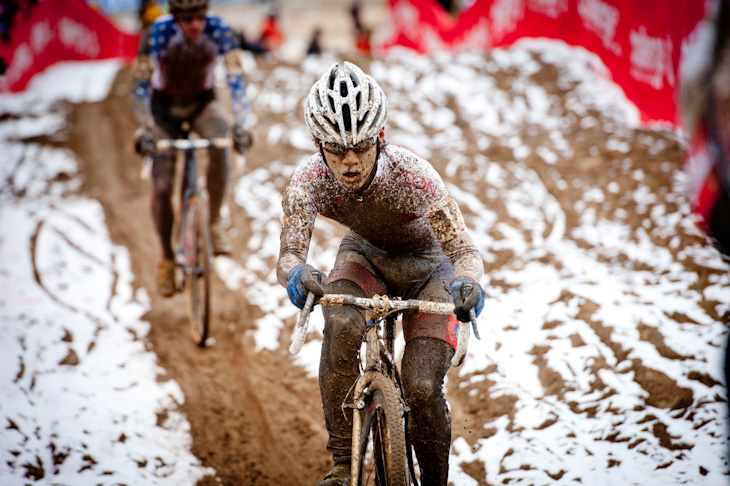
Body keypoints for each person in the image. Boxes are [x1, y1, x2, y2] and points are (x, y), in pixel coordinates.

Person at [277, 62, 485, 486]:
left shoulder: (414, 176)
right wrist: (297, 274)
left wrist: (469, 284)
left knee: (422, 386)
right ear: (318, 144)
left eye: (362, 147)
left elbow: (463, 250)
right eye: (336, 149)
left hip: (431, 267)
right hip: (365, 257)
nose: (350, 161)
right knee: (339, 322)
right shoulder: (307, 180)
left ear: (381, 137)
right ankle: (341, 463)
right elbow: (288, 254)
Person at [130, 0, 253, 297]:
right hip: (164, 109)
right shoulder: (157, 32)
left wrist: (240, 123)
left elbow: (236, 80)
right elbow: (139, 87)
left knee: (222, 140)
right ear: (175, 17)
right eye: (187, 19)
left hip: (202, 103)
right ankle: (167, 260)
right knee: (162, 183)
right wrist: (146, 127)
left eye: (199, 16)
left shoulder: (220, 30)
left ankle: (213, 222)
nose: (195, 24)